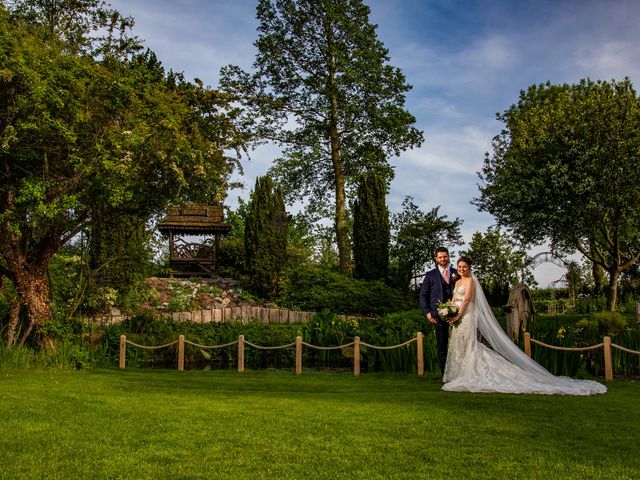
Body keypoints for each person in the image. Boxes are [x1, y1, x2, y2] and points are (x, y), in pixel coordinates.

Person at [442, 256, 606, 395]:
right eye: (460, 267)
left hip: (467, 315)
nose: (462, 269)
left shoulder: (470, 281)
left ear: (470, 268)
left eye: (464, 267)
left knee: (469, 344)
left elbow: (466, 300)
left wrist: (457, 315)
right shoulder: (457, 282)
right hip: (457, 317)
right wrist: (449, 312)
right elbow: (454, 300)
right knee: (458, 344)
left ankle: (473, 373)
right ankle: (458, 374)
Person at [419, 247, 458, 376]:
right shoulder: (430, 275)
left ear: (448, 257)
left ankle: (459, 372)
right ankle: (445, 374)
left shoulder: (456, 273)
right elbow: (423, 296)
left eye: (445, 256)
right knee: (442, 345)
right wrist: (428, 313)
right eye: (440, 257)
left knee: (458, 344)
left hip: (457, 315)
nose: (443, 259)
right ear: (436, 259)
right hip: (438, 317)